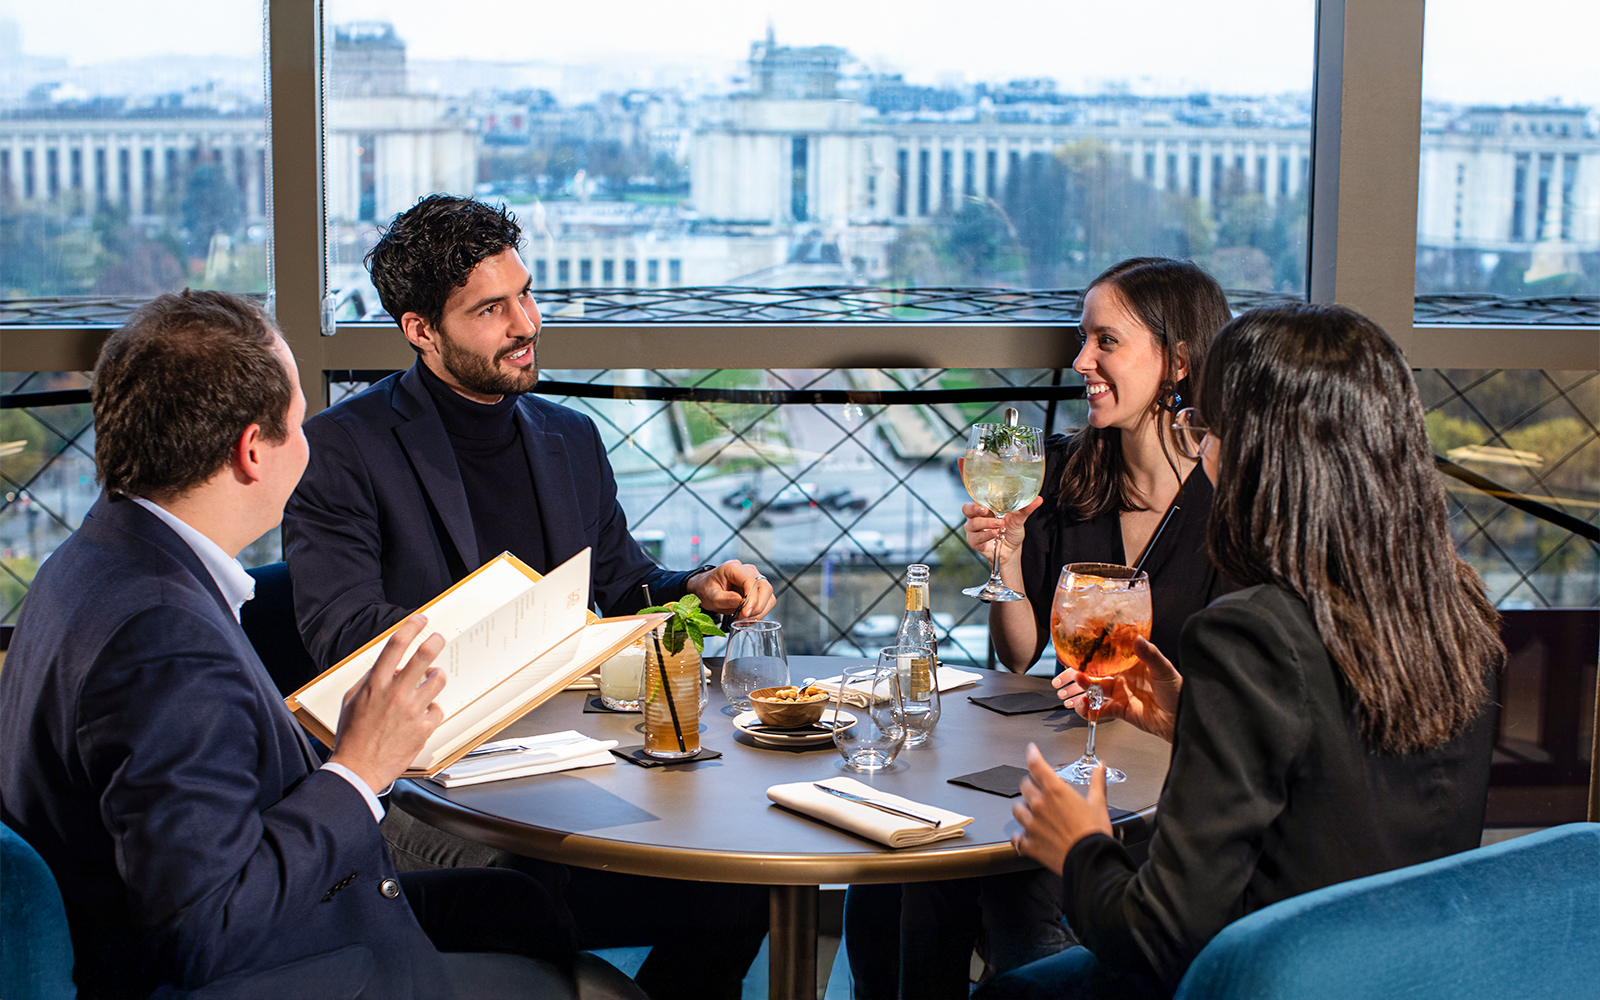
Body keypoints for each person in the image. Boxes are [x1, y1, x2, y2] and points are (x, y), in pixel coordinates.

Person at [0, 291, 635, 999]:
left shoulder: (95, 558)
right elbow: (207, 928)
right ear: (251, 450)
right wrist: (361, 768)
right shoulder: (162, 642)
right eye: (300, 422)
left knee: (519, 909)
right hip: (272, 972)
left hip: (282, 914)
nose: (311, 442)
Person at [282, 194, 773, 1000]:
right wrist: (516, 635)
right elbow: (345, 635)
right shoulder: (342, 450)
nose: (527, 323)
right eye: (491, 309)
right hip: (432, 786)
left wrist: (693, 588)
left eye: (526, 293)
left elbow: (619, 585)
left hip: (579, 757)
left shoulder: (569, 435)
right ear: (420, 331)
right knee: (531, 886)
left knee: (742, 882)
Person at [989, 303, 1502, 998]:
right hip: (1400, 976)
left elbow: (1155, 938)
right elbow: (1346, 801)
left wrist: (1079, 846)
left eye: (1204, 427)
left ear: (1259, 450)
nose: (1200, 450)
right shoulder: (1457, 612)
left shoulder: (1252, 633)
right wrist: (1191, 716)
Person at [844, 258, 1236, 1000]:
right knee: (905, 868)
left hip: (1171, 780)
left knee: (995, 883)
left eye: (1105, 342)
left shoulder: (1233, 507)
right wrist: (1010, 560)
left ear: (1179, 359)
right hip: (1066, 751)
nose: (1081, 361)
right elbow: (1020, 655)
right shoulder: (1061, 478)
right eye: (1081, 340)